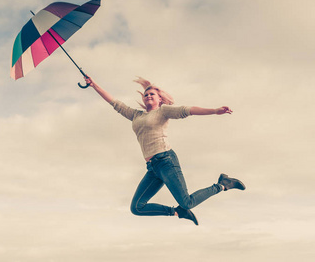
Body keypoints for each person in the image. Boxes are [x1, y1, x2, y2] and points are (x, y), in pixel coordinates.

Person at [84, 76, 245, 225]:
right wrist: (93, 85)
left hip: (166, 161)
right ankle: (176, 212)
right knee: (137, 208)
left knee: (187, 202)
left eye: (152, 94)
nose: (148, 96)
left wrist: (215, 111)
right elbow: (114, 103)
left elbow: (188, 110)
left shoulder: (163, 111)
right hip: (153, 168)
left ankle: (223, 184)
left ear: (159, 98)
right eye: (145, 94)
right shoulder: (135, 115)